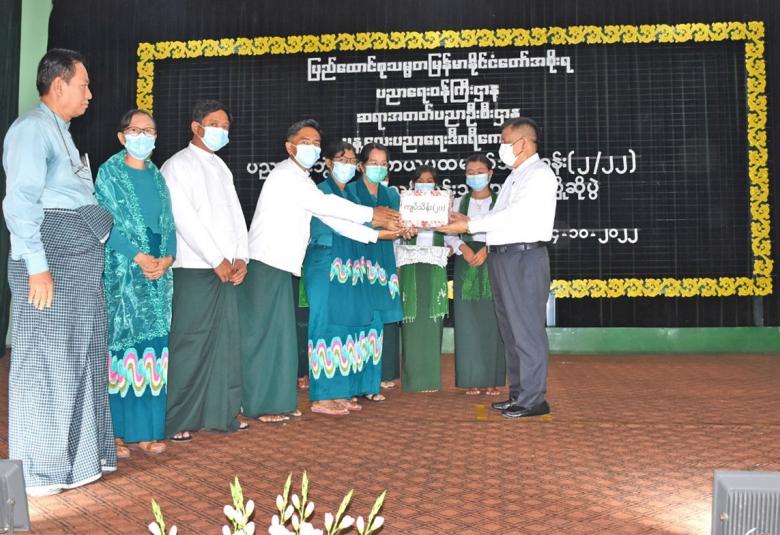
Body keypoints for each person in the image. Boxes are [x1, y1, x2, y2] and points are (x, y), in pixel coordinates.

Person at [2, 48, 116, 495]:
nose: (90, 94)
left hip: (76, 261)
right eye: (84, 85)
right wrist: (37, 267)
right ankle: (39, 472)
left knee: (79, 360)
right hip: (49, 261)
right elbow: (20, 203)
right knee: (45, 364)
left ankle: (77, 462)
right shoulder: (32, 129)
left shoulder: (61, 133)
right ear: (59, 85)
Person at [242, 120, 400, 423]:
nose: (312, 148)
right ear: (289, 146)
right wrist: (372, 214)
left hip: (281, 265)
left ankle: (274, 402)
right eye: (306, 142)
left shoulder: (302, 180)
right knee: (264, 338)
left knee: (279, 338)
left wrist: (379, 233)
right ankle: (259, 405)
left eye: (316, 143)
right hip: (266, 262)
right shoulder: (287, 176)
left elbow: (337, 221)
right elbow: (327, 206)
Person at [438, 117, 556, 418]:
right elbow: (498, 216)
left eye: (505, 141)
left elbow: (516, 215)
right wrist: (464, 221)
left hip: (524, 258)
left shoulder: (539, 175)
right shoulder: (515, 176)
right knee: (511, 331)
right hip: (503, 257)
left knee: (526, 331)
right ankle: (519, 394)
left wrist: (469, 225)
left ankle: (533, 400)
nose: (502, 147)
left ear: (522, 143)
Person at [160, 99, 249, 441]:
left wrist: (241, 257)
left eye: (226, 126)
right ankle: (179, 418)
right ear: (196, 127)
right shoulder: (177, 165)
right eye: (215, 124)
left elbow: (236, 216)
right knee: (190, 343)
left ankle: (220, 414)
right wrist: (216, 259)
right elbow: (184, 219)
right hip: (196, 268)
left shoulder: (221, 167)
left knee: (225, 343)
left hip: (227, 269)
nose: (221, 131)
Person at [96, 109, 176, 457]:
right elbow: (104, 223)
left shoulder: (158, 176)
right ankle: (115, 433)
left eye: (149, 131)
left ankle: (147, 432)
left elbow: (169, 225)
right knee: (122, 352)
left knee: (153, 353)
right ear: (121, 136)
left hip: (158, 273)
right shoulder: (109, 173)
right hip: (125, 270)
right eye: (135, 130)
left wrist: (167, 259)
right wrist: (139, 257)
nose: (143, 136)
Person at [304, 141, 402, 415]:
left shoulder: (352, 195)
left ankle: (341, 392)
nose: (346, 165)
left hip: (350, 267)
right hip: (326, 263)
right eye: (342, 159)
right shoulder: (322, 192)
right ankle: (322, 397)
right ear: (328, 163)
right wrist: (381, 230)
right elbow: (346, 225)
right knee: (326, 327)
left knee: (344, 329)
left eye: (350, 160)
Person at [445, 154, 505, 396]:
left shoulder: (502, 202)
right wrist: (463, 247)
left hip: (494, 261)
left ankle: (491, 379)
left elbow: (508, 228)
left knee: (493, 320)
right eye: (470, 172)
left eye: (480, 171)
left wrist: (488, 248)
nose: (475, 176)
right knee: (467, 321)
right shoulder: (458, 202)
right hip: (465, 263)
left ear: (490, 174)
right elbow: (448, 233)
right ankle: (471, 378)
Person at [346, 143, 404, 391]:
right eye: (373, 163)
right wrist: (377, 225)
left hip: (383, 260)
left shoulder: (391, 195)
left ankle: (377, 378)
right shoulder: (349, 191)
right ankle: (356, 379)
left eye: (383, 164)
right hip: (356, 258)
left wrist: (405, 229)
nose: (379, 168)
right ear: (361, 165)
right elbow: (346, 225)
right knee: (358, 317)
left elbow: (399, 225)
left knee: (380, 318)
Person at [397, 166, 450, 393]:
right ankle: (413, 380)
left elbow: (453, 236)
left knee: (432, 322)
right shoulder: (404, 205)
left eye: (429, 180)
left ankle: (430, 379)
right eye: (421, 180)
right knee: (411, 325)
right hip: (409, 267)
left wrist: (452, 248)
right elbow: (394, 239)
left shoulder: (444, 206)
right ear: (413, 183)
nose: (425, 184)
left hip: (434, 267)